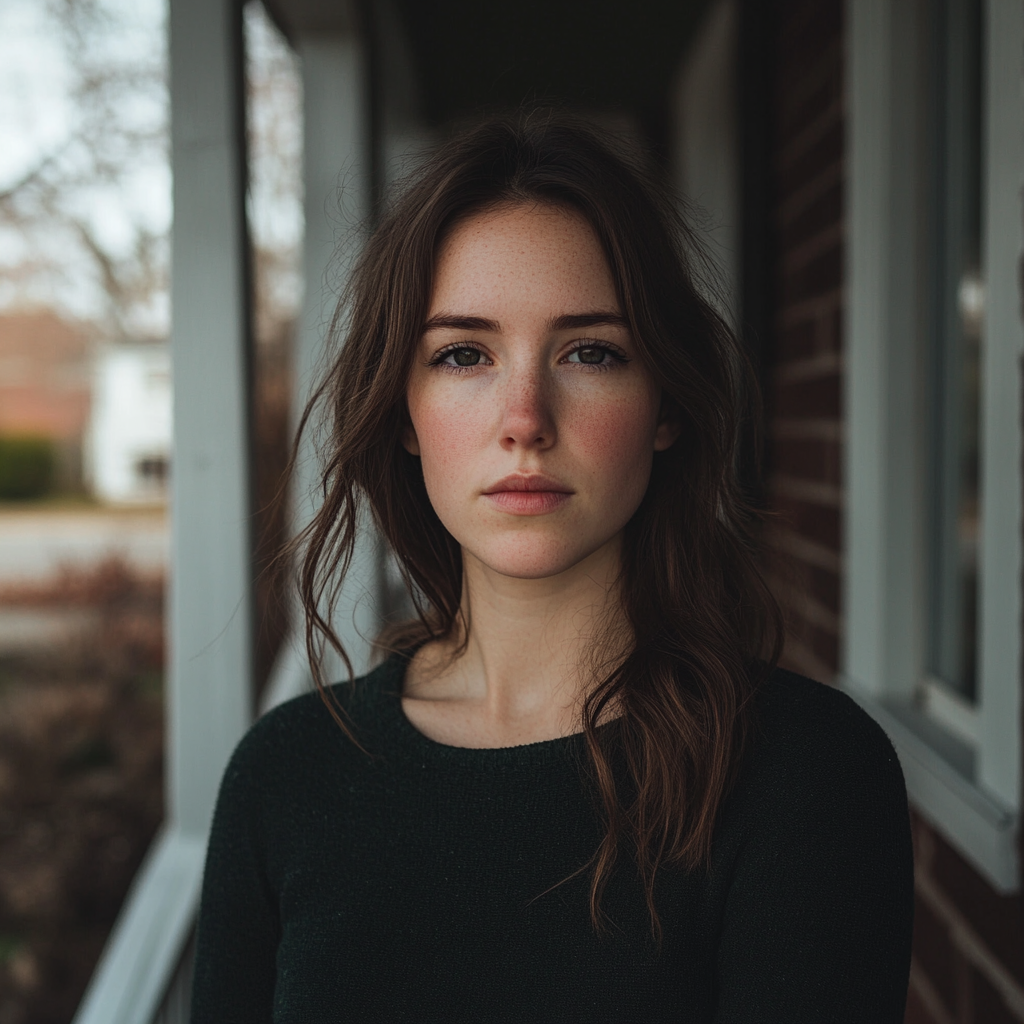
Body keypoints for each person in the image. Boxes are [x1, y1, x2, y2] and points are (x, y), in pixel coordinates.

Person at [190, 113, 914, 1023]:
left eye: (590, 352)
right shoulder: (286, 777)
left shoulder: (802, 775)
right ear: (405, 415)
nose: (525, 417)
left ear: (665, 407)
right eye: (464, 355)